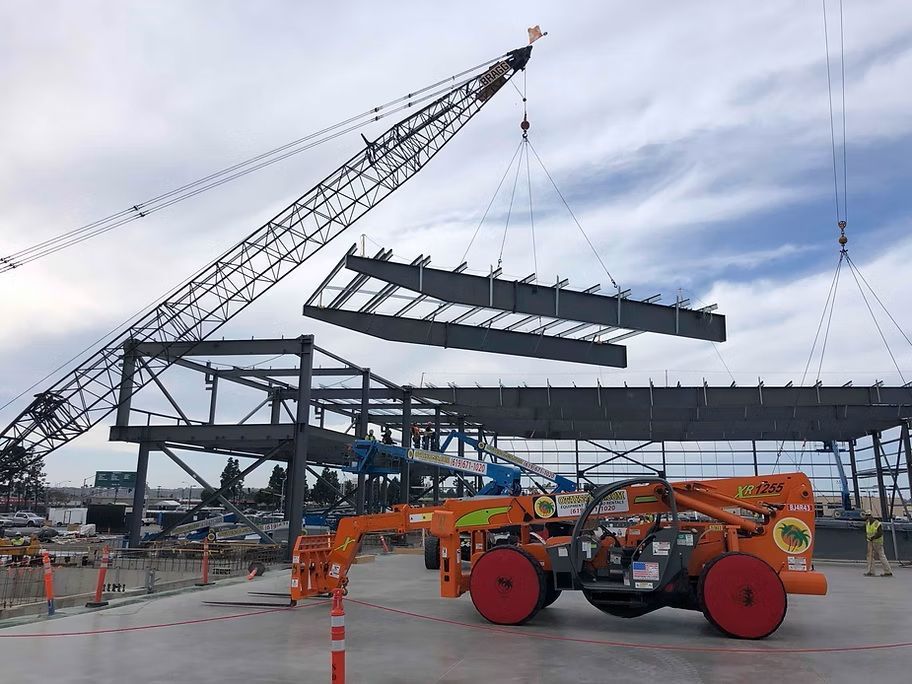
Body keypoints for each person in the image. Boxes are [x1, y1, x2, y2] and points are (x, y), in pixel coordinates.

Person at [863, 510, 893, 577]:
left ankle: (887, 571)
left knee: (881, 556)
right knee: (870, 556)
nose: (867, 517)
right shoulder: (867, 523)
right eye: (866, 516)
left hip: (877, 542)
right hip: (870, 542)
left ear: (871, 516)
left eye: (868, 516)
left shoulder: (877, 523)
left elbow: (880, 533)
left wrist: (873, 537)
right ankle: (871, 571)